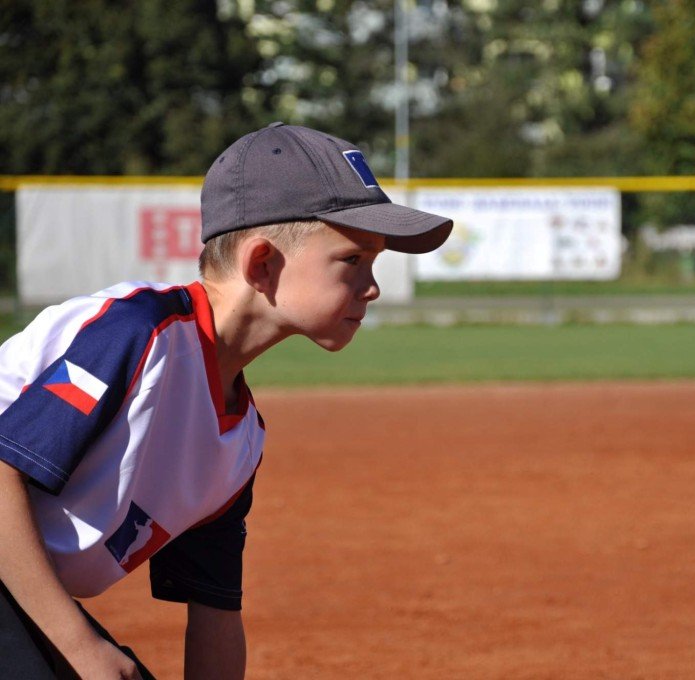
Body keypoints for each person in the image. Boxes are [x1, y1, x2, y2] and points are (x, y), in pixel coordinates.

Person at [0, 122, 453, 678]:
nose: (373, 287)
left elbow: (215, 611)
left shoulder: (237, 442)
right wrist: (76, 646)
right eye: (353, 260)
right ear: (261, 264)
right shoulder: (138, 333)